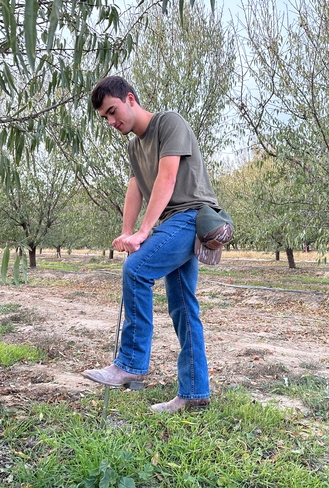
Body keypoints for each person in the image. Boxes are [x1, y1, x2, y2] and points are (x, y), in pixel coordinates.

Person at [81, 76, 229, 413]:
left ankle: (130, 363)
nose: (111, 121)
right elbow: (135, 188)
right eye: (105, 117)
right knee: (183, 307)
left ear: (130, 99)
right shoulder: (134, 147)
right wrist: (127, 230)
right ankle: (194, 393)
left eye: (113, 111)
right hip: (172, 223)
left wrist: (145, 231)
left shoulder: (168, 123)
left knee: (136, 270)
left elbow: (167, 177)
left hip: (191, 217)